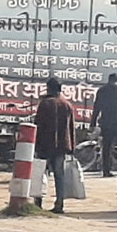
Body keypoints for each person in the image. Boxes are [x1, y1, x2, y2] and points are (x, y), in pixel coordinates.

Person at [35, 77, 76, 213]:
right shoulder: (67, 105)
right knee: (59, 175)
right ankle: (59, 204)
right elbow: (71, 128)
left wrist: (35, 145)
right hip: (62, 146)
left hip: (45, 145)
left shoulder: (45, 104)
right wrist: (72, 147)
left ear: (49, 88)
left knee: (41, 174)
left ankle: (38, 203)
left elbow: (38, 125)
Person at [90, 73, 117, 178]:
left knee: (106, 147)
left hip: (106, 122)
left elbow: (96, 107)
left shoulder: (102, 91)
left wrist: (93, 122)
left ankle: (106, 170)